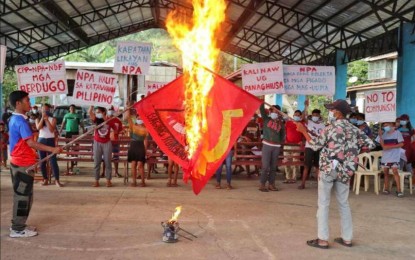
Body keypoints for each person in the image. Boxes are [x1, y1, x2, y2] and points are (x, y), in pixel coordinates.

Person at [295, 99, 375, 249]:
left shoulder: (330, 128)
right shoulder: (355, 129)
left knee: (324, 204)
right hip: (346, 170)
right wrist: (353, 152)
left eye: (332, 110)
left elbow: (315, 145)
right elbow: (370, 144)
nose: (330, 112)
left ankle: (323, 240)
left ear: (338, 112)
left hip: (328, 169)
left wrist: (303, 131)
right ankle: (347, 239)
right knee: (344, 203)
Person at [7, 90, 61, 238]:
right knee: (22, 197)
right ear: (18, 103)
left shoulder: (17, 119)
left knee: (26, 196)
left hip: (23, 163)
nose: (29, 103)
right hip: (22, 165)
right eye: (26, 100)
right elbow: (31, 143)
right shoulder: (19, 121)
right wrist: (52, 149)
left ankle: (20, 224)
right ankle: (17, 228)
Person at [89, 106, 118, 187]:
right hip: (97, 142)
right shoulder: (96, 120)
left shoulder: (109, 120)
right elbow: (90, 113)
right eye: (96, 112)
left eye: (99, 112)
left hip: (107, 143)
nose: (97, 114)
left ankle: (108, 181)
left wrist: (112, 133)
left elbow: (115, 130)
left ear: (104, 112)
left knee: (108, 162)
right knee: (97, 162)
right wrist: (91, 107)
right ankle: (96, 181)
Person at [259, 103, 285, 192]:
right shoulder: (266, 119)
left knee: (273, 167)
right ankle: (262, 184)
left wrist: (279, 142)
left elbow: (282, 135)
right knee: (265, 166)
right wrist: (262, 100)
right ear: (270, 111)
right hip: (267, 145)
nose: (275, 113)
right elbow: (261, 109)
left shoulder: (281, 123)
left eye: (276, 111)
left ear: (279, 113)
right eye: (273, 110)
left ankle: (271, 184)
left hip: (276, 146)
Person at [35, 103, 62, 187]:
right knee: (42, 161)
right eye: (43, 109)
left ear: (49, 110)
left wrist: (46, 120)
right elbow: (38, 128)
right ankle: (45, 179)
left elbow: (51, 130)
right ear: (41, 110)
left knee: (53, 161)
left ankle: (57, 180)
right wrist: (43, 118)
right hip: (41, 140)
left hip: (50, 140)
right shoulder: (37, 118)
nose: (45, 111)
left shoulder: (53, 119)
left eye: (47, 109)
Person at [298, 107, 325, 190]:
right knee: (306, 166)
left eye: (316, 115)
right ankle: (303, 184)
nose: (315, 116)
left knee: (318, 166)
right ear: (311, 115)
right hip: (309, 147)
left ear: (319, 116)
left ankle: (319, 185)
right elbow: (302, 117)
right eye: (313, 115)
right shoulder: (309, 122)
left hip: (319, 147)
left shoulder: (323, 125)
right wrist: (306, 106)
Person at [376, 121, 404, 197]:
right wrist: (380, 136)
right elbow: (383, 146)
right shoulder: (383, 134)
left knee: (395, 171)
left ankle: (399, 190)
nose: (385, 126)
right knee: (385, 172)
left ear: (392, 125)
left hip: (395, 156)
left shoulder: (397, 133)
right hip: (386, 156)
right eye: (384, 125)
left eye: (387, 125)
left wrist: (390, 147)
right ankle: (386, 188)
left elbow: (401, 143)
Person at [126, 108, 148, 187]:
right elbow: (128, 117)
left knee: (140, 165)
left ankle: (143, 181)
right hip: (133, 146)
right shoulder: (132, 126)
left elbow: (145, 141)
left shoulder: (146, 129)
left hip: (140, 146)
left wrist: (145, 151)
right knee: (133, 164)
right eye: (138, 117)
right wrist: (128, 108)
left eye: (141, 118)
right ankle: (134, 181)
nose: (139, 119)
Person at [283, 109, 304, 184]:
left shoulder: (302, 124)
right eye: (296, 115)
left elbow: (304, 134)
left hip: (297, 146)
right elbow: (284, 132)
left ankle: (294, 178)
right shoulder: (288, 123)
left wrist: (302, 141)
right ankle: (288, 177)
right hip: (287, 145)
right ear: (293, 116)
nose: (297, 116)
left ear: (301, 116)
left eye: (298, 115)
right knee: (286, 162)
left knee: (296, 162)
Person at [108, 106, 123, 178]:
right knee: (105, 157)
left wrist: (119, 133)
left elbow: (121, 130)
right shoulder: (105, 120)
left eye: (111, 110)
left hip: (116, 141)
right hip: (106, 141)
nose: (110, 111)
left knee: (116, 157)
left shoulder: (118, 121)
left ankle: (116, 172)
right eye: (109, 110)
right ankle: (104, 172)